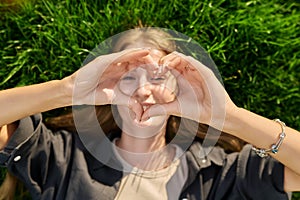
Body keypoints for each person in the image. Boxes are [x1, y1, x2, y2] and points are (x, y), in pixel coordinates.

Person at [0, 27, 299, 200]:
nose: (143, 91)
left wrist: (228, 116)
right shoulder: (63, 158)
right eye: (128, 78)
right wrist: (67, 90)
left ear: (178, 90)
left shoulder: (221, 174)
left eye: (157, 77)